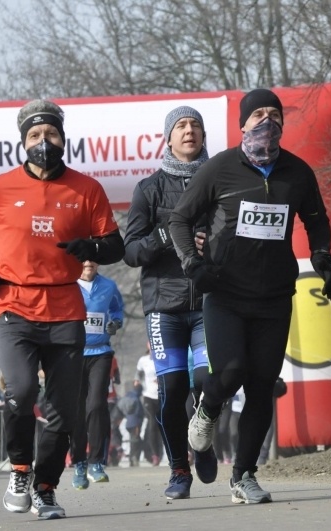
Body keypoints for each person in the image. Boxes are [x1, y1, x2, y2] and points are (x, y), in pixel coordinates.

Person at [0, 99, 124, 520]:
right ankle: (19, 469)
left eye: (50, 134)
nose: (43, 142)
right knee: (21, 392)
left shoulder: (86, 189)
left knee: (64, 409)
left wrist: (92, 247)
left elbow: (115, 244)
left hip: (66, 307)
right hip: (13, 305)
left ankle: (46, 487)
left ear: (63, 139)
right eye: (34, 135)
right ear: (23, 143)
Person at [170, 88, 331, 504]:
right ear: (243, 124)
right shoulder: (221, 168)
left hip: (275, 294)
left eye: (275, 114)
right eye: (258, 114)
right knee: (231, 371)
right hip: (225, 291)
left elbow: (316, 220)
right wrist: (192, 262)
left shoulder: (296, 172)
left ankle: (243, 475)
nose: (267, 121)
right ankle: (207, 410)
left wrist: (321, 257)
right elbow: (180, 218)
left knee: (262, 385)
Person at [123, 106, 217, 499]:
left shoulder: (221, 180)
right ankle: (179, 469)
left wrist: (212, 242)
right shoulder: (149, 189)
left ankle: (204, 437)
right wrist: (167, 237)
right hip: (164, 305)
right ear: (169, 138)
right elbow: (130, 251)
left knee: (208, 381)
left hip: (211, 301)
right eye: (181, 125)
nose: (189, 130)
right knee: (173, 388)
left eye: (195, 124)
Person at [70, 261, 124, 490]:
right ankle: (79, 463)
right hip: (73, 354)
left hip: (101, 352)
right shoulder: (68, 285)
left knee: (96, 405)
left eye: (92, 259)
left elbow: (117, 310)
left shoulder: (109, 286)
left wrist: (115, 322)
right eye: (83, 260)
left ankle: (96, 463)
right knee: (77, 411)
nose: (88, 263)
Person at [135, 347, 163, 467]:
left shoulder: (163, 358)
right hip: (148, 396)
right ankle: (154, 455)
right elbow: (138, 374)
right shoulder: (143, 360)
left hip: (161, 396)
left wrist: (161, 379)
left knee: (161, 425)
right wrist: (137, 381)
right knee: (152, 423)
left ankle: (161, 453)